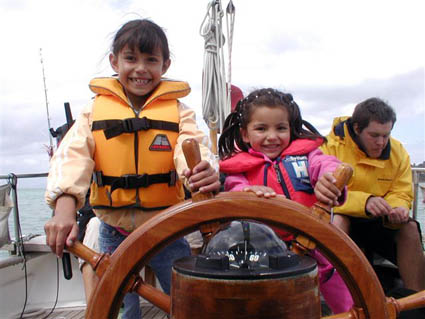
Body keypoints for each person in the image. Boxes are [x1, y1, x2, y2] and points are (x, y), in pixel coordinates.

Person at [44, 19, 220, 318]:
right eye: (130, 58)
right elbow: (73, 156)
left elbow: (192, 144)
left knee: (188, 304)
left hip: (166, 228)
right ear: (114, 61)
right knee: (124, 309)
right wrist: (64, 208)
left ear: (165, 65)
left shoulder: (179, 112)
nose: (141, 68)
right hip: (114, 231)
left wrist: (203, 168)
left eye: (151, 60)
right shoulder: (93, 111)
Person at [218, 88, 353, 314]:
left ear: (291, 129)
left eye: (281, 128)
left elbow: (326, 164)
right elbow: (234, 187)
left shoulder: (309, 156)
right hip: (262, 252)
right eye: (261, 128)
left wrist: (329, 179)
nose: (272, 136)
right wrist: (249, 192)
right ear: (244, 134)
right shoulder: (239, 171)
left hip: (316, 246)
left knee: (346, 300)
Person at [320, 97, 425, 293]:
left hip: (379, 219)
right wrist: (365, 202)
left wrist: (398, 207)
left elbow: (401, 190)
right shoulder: (329, 148)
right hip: (344, 215)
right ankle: (340, 297)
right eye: (374, 135)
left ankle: (417, 300)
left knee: (409, 228)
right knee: (339, 221)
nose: (381, 143)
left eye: (386, 135)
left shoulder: (398, 151)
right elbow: (323, 196)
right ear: (357, 128)